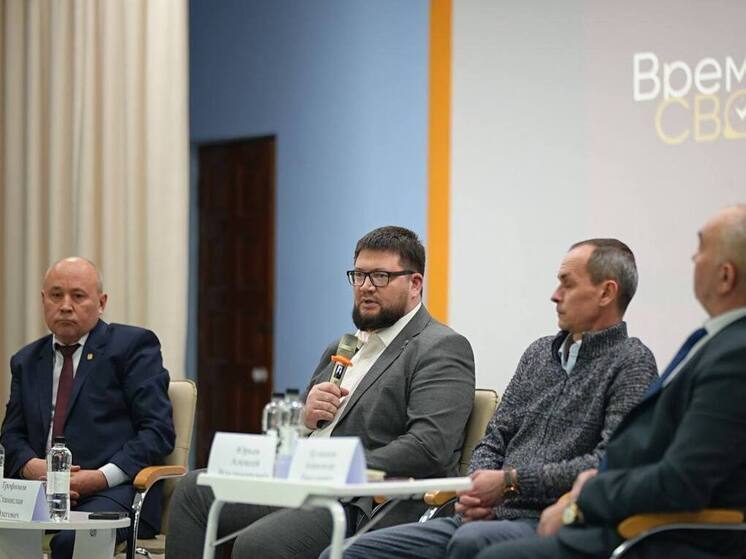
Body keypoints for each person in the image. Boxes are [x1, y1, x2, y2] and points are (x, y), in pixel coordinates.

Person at [327, 238, 658, 559]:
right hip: (485, 514)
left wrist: (509, 484)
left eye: (567, 284)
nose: (555, 295)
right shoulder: (539, 354)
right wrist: (478, 491)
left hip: (552, 518)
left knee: (471, 542)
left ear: (606, 293)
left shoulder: (631, 363)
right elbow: (494, 437)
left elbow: (608, 462)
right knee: (343, 552)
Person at [165, 226, 476, 559]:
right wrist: (305, 418)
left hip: (361, 499)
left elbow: (429, 447)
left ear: (415, 284)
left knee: (258, 544)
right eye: (359, 275)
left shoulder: (440, 347)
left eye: (380, 276)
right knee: (193, 490)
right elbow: (304, 429)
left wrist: (336, 465)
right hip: (301, 480)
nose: (366, 287)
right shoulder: (343, 346)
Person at [476, 205, 746, 559]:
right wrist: (475, 487)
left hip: (656, 534)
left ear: (726, 276)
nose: (693, 258)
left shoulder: (732, 355)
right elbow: (495, 436)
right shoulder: (715, 343)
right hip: (599, 511)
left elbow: (681, 481)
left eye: (701, 249)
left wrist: (580, 499)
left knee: (489, 553)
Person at [0, 257, 176, 559]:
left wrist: (99, 477)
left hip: (113, 492)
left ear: (101, 302)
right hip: (38, 491)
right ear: (43, 300)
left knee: (71, 543)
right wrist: (33, 468)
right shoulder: (27, 360)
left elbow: (157, 432)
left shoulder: (132, 347)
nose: (65, 306)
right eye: (56, 295)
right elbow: (11, 435)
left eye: (78, 296)